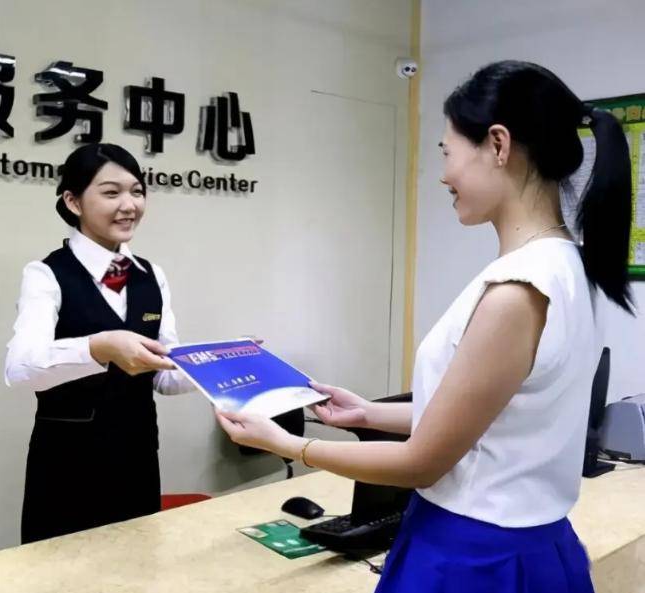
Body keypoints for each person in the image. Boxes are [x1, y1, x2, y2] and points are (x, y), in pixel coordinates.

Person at [216, 61, 633, 593]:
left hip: (473, 560)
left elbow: (422, 462)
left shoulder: (517, 290)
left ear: (498, 145)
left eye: (447, 152)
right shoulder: (570, 268)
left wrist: (290, 445)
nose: (443, 174)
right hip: (533, 547)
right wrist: (369, 413)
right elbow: (492, 416)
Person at [5, 143, 195, 544]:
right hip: (66, 467)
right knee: (62, 571)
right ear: (73, 201)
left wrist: (218, 365)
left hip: (137, 459)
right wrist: (98, 347)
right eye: (111, 193)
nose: (129, 205)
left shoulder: (151, 275)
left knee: (137, 565)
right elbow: (21, 369)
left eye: (137, 191)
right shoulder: (46, 274)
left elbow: (164, 376)